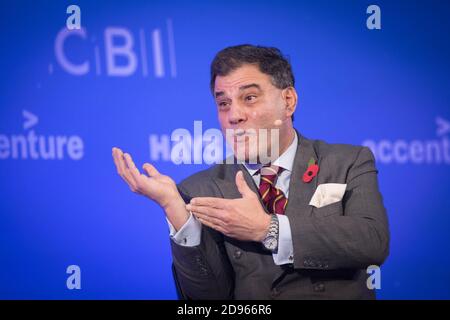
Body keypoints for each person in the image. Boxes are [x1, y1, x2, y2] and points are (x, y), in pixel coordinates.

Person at [111, 44, 390, 299]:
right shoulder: (200, 190)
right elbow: (204, 301)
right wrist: (175, 210)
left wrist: (268, 229)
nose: (234, 115)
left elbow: (371, 241)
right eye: (223, 103)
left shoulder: (347, 162)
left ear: (289, 101)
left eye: (250, 97)